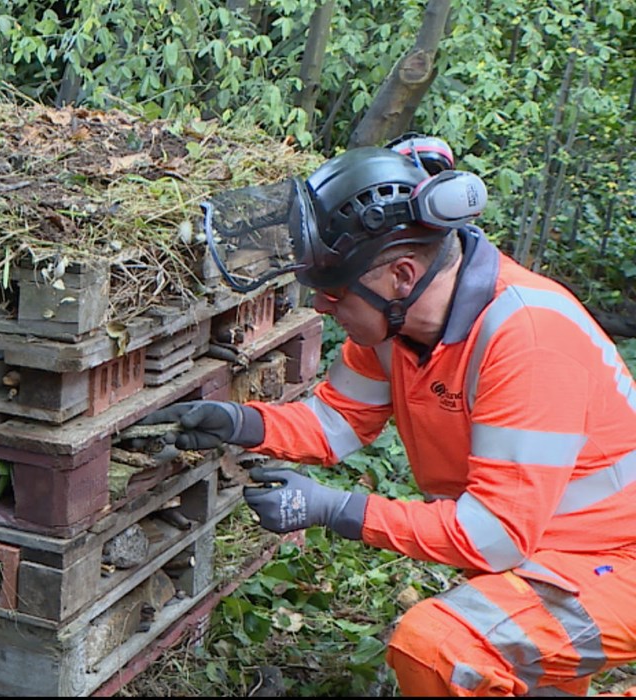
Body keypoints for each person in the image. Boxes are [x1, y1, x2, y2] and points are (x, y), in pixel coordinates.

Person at [134, 136, 636, 696]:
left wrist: (334, 508)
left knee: (441, 647)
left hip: (612, 564)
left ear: (400, 274)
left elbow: (492, 537)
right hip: (549, 549)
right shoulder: (395, 327)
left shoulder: (529, 341)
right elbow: (336, 423)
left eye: (334, 289)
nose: (322, 305)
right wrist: (241, 423)